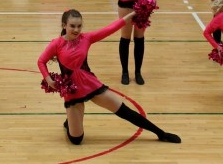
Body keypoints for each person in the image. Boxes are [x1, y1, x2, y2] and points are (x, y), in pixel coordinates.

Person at [38, 9, 181, 145]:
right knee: (77, 140)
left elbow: (110, 28)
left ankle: (161, 133)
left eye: (79, 26)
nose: (76, 30)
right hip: (72, 91)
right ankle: (69, 121)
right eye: (72, 26)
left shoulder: (87, 38)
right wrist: (48, 79)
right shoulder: (56, 44)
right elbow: (41, 61)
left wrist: (131, 15)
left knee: (124, 110)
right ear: (64, 25)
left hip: (90, 84)